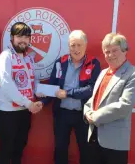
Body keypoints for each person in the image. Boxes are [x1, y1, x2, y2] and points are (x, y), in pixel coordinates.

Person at [41, 30, 101, 164]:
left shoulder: (94, 63)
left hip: (84, 116)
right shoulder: (60, 62)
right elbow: (52, 87)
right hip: (62, 114)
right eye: (73, 45)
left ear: (86, 45)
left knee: (87, 151)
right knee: (60, 150)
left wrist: (67, 93)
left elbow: (91, 90)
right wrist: (42, 102)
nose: (76, 49)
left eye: (79, 45)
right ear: (68, 46)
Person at [84, 33, 135, 164]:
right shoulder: (103, 72)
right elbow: (93, 99)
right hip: (93, 136)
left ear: (124, 50)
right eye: (107, 52)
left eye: (114, 50)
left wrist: (95, 117)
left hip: (114, 142)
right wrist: (87, 113)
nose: (110, 55)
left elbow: (124, 106)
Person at [0, 22, 43, 164]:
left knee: (19, 148)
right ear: (12, 38)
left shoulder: (28, 58)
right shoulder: (6, 56)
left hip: (25, 111)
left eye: (26, 37)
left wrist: (42, 93)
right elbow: (6, 84)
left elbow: (32, 82)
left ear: (30, 40)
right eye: (19, 36)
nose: (23, 40)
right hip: (8, 112)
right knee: (7, 149)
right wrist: (29, 103)